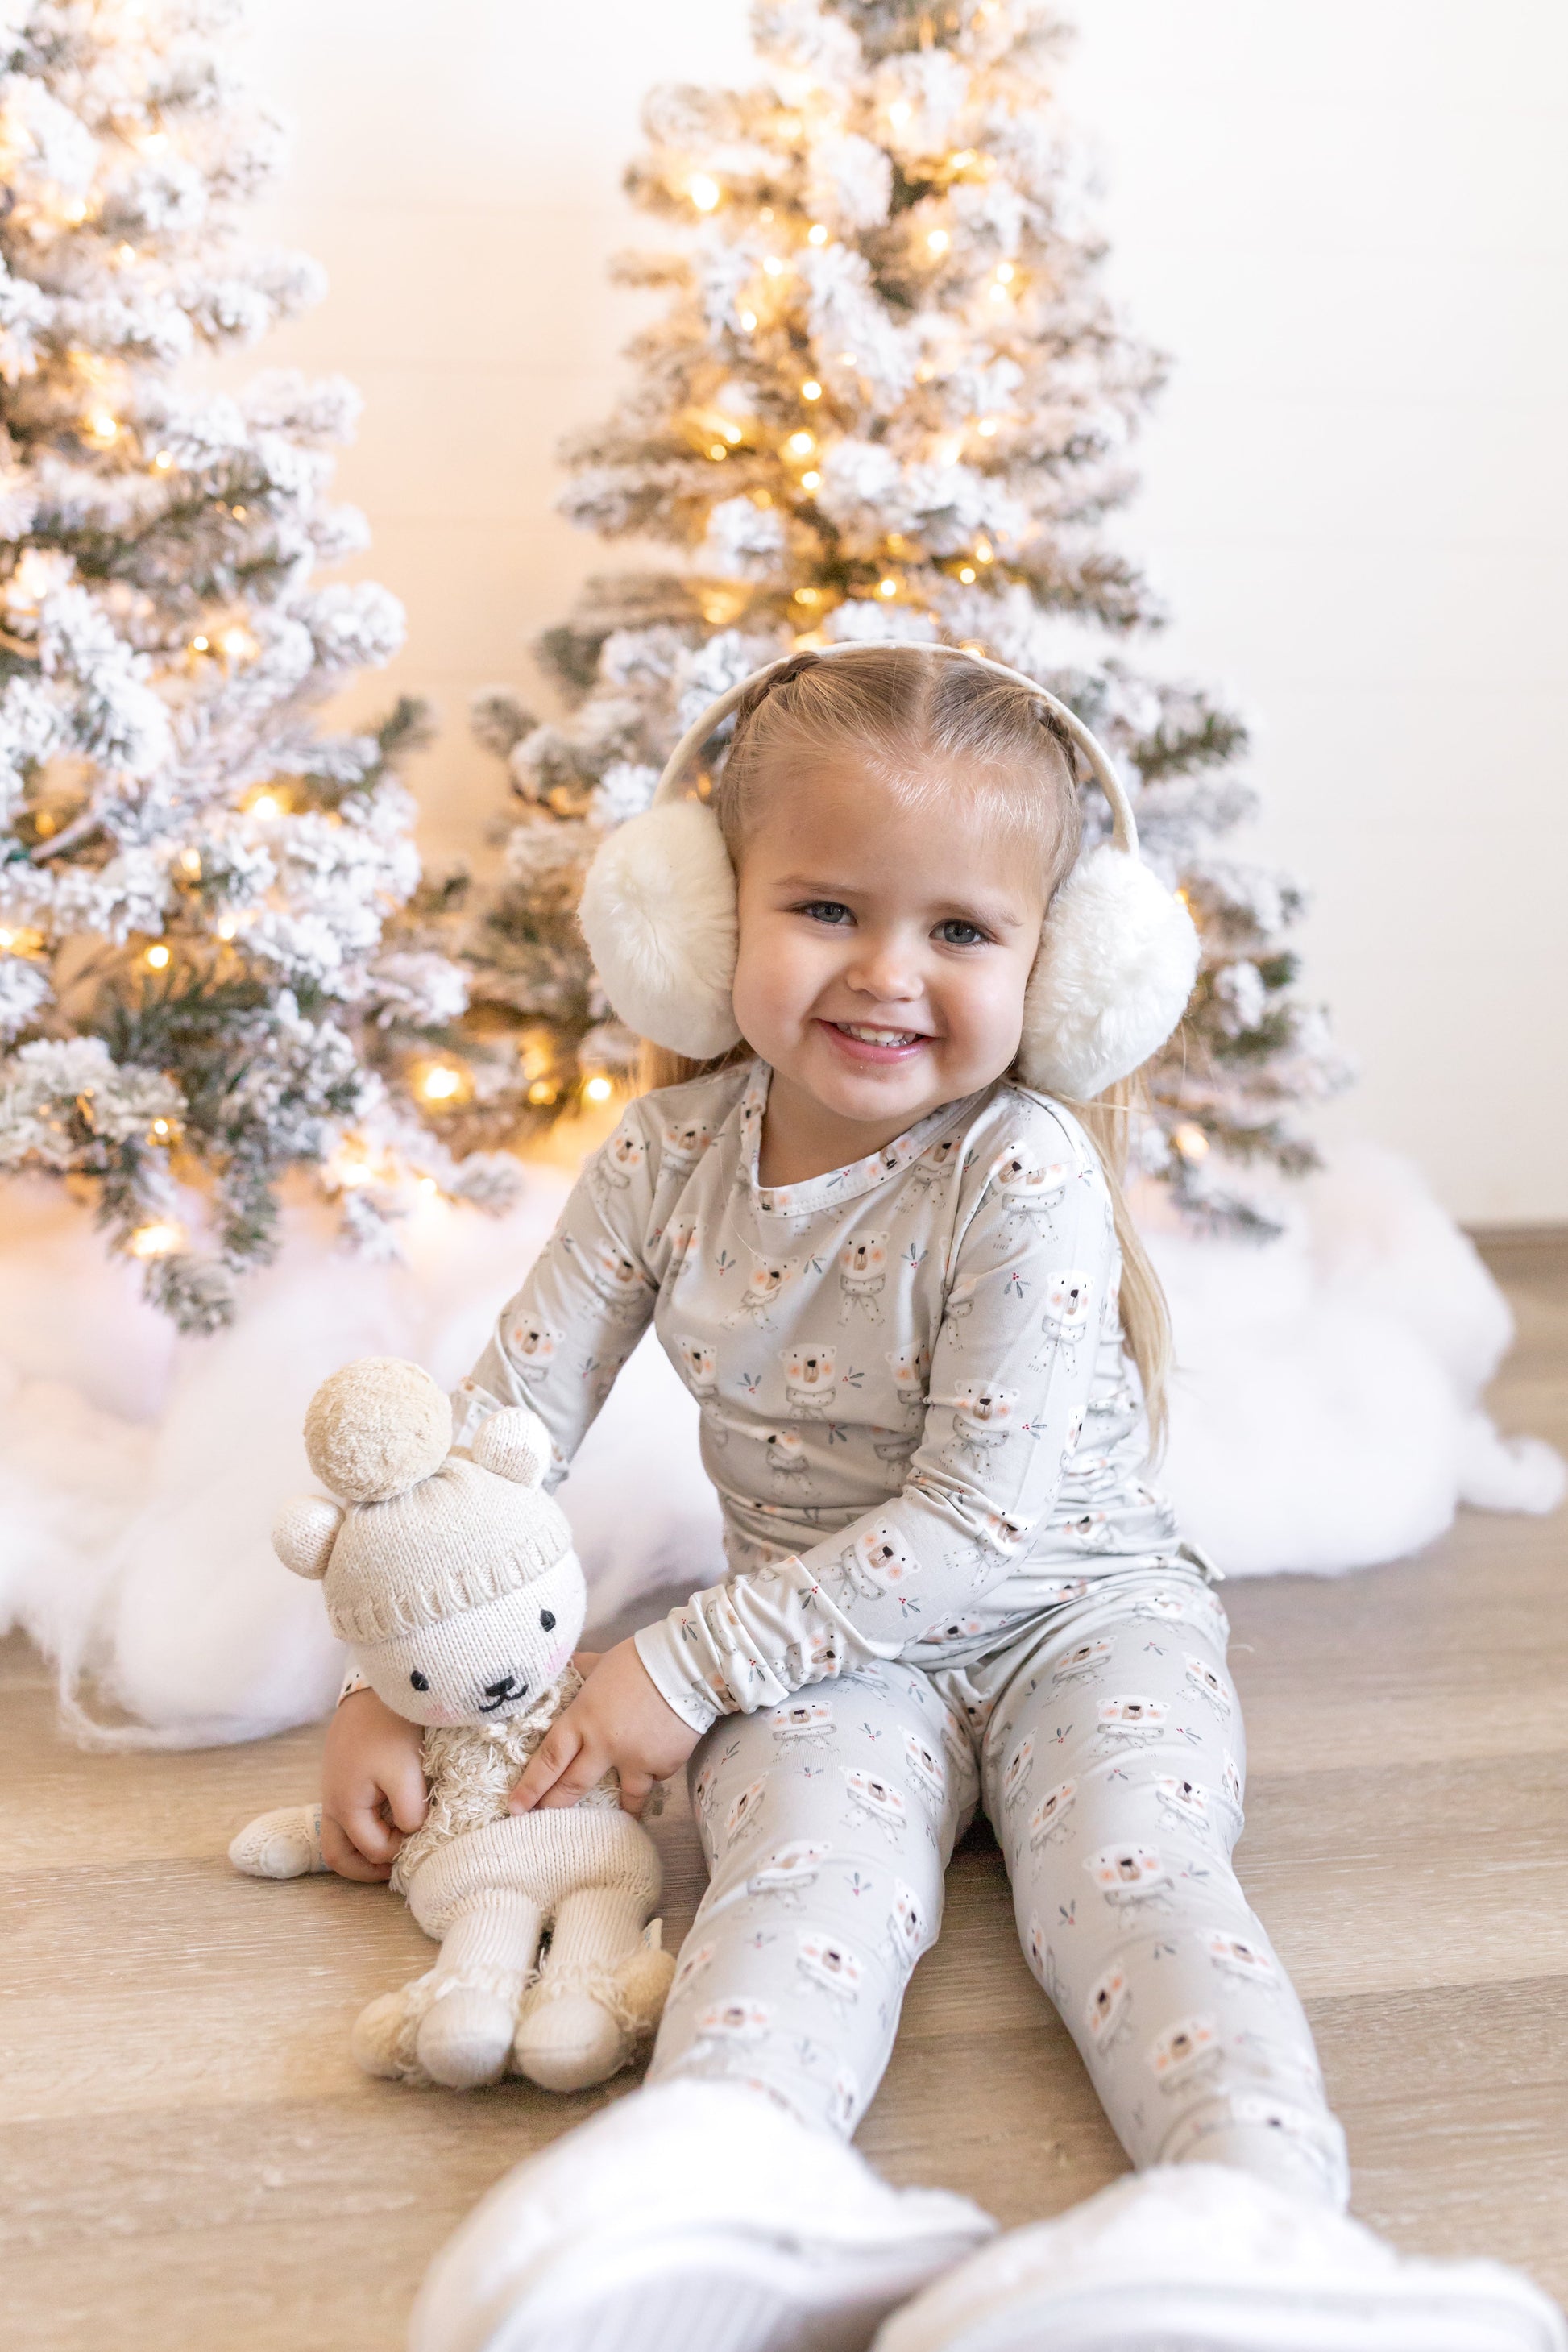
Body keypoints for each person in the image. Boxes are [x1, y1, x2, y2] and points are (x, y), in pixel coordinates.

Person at [319, 646, 1562, 2352]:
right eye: (826, 907)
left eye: (962, 930)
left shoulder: (1020, 1169)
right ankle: (721, 2166)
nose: (887, 973)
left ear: (1059, 970)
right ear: (705, 915)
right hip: (830, 1655)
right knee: (795, 1878)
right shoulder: (661, 1164)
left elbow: (979, 1523)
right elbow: (498, 1429)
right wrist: (390, 1680)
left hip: (1081, 1617)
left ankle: (1258, 2217)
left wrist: (678, 1662)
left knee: (1134, 1877)